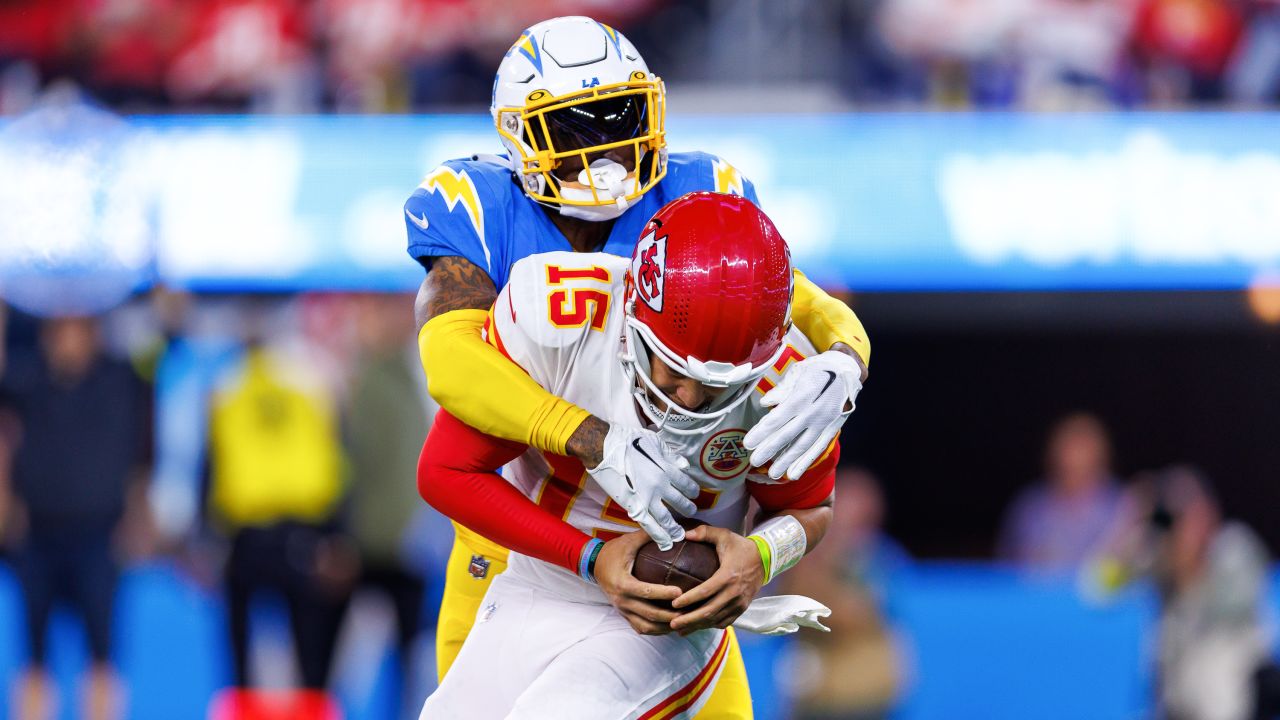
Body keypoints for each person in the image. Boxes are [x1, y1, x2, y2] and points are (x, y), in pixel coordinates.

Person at [405, 16, 870, 715]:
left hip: (670, 538)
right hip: (520, 535)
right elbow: (450, 365)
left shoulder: (697, 192)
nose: (607, 145)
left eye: (620, 116)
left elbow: (791, 296)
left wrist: (846, 355)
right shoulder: (490, 219)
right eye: (575, 126)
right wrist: (593, 437)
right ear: (517, 135)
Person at [417, 192, 840, 718]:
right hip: (540, 580)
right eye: (673, 369)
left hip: (666, 622)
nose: (687, 398)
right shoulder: (558, 315)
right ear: (632, 311)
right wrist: (590, 557)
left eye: (716, 387)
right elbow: (446, 472)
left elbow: (811, 508)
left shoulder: (796, 385)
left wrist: (762, 555)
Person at [0, 315, 151, 720]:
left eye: (75, 331)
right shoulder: (28, 382)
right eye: (57, 332)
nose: (65, 343)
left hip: (99, 535)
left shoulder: (120, 381)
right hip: (38, 536)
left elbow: (161, 339)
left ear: (94, 335)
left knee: (101, 655)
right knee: (33, 657)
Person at [205, 320, 353, 692]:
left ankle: (245, 706)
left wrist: (206, 534)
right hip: (297, 532)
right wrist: (338, 533)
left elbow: (211, 465)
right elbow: (335, 462)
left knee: (242, 655)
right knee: (309, 657)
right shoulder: (311, 383)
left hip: (249, 532)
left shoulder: (228, 385)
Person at [1085, 467, 1272, 720]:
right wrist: (1129, 520)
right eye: (1176, 515)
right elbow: (1097, 591)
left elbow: (1228, 609)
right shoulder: (1158, 557)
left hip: (1232, 685)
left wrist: (1188, 569)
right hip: (1175, 695)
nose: (1187, 524)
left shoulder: (1233, 546)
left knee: (1213, 665)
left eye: (1192, 510)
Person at [786, 468, 910, 720]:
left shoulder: (880, 556)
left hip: (866, 695)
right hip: (817, 697)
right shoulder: (803, 553)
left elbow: (855, 615)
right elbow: (799, 605)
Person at [998, 412, 1123, 571]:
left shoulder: (1124, 507)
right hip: (1039, 593)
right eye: (1068, 466)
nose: (1075, 462)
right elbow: (1007, 568)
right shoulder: (1029, 508)